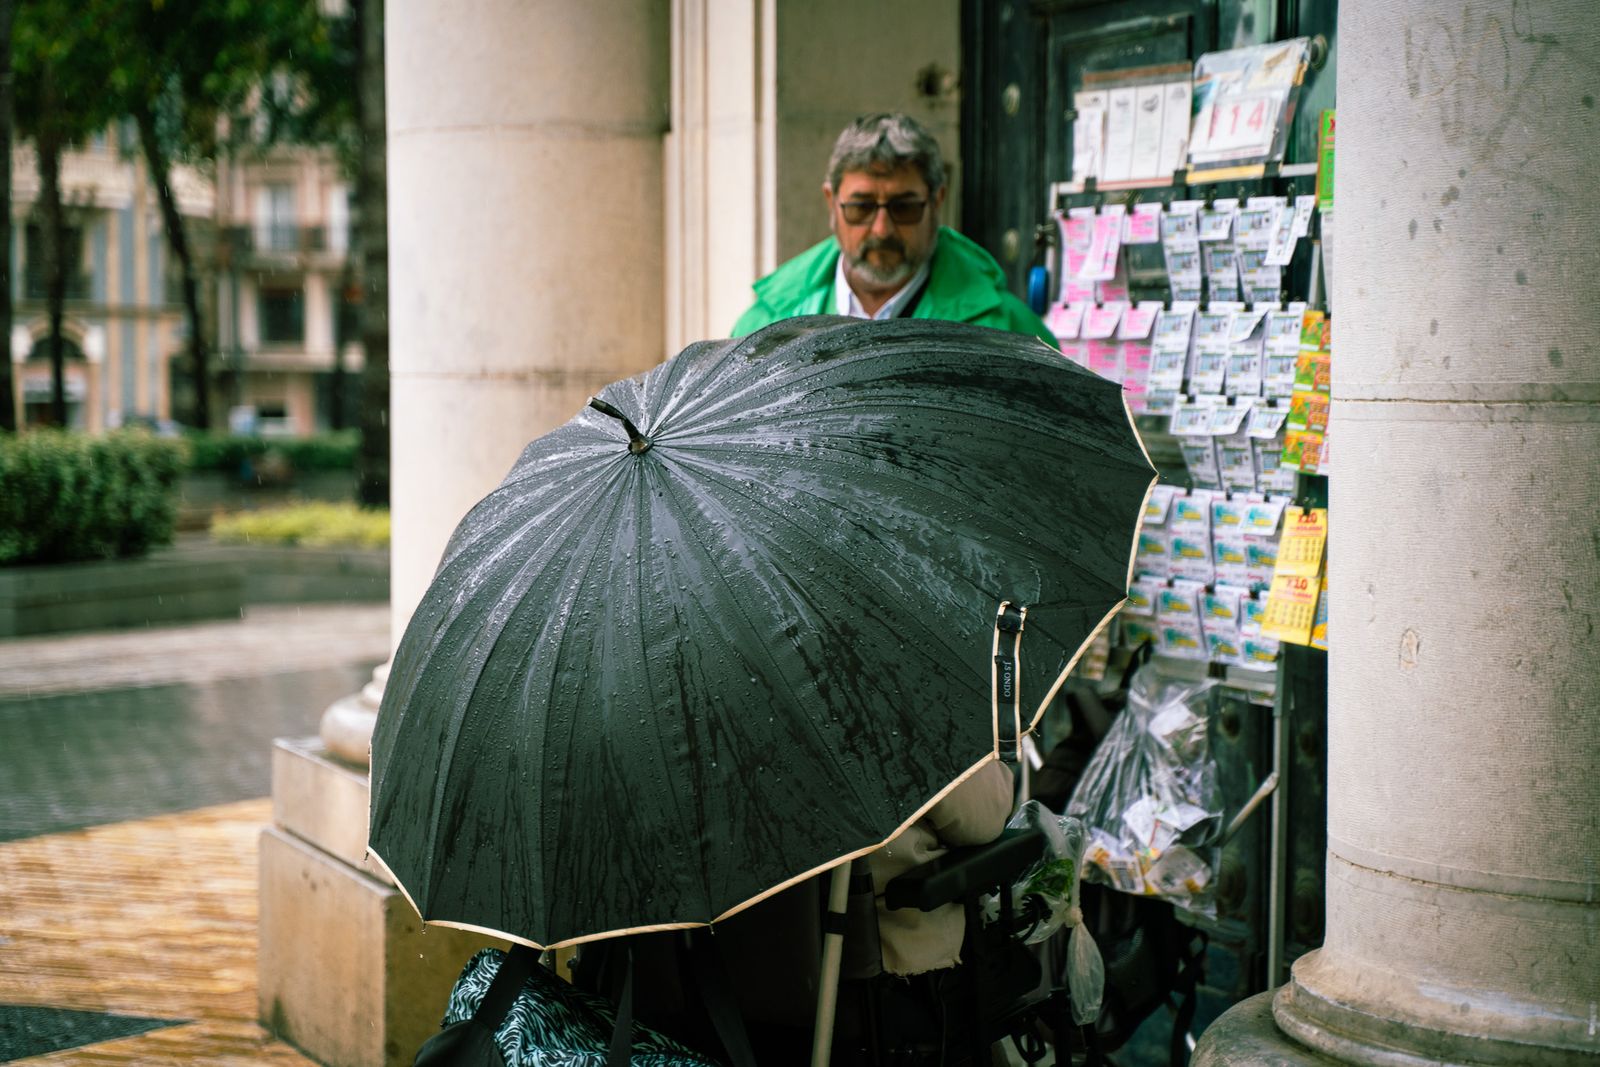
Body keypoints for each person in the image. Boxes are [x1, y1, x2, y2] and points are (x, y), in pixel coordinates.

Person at [731, 112, 1055, 345]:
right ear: (831, 201)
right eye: (861, 207)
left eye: (904, 207)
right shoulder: (764, 327)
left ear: (937, 200)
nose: (882, 230)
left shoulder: (1014, 333)